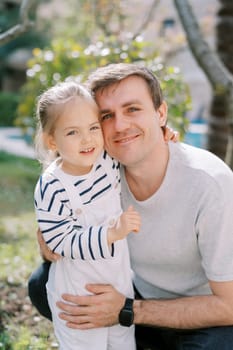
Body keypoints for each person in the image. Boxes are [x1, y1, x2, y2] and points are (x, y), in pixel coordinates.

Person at [29, 62, 233, 350]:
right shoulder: (104, 168)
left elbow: (230, 306)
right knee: (43, 282)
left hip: (204, 315)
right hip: (135, 293)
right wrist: (50, 240)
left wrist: (125, 310)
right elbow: (61, 198)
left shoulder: (211, 184)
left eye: (133, 109)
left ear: (160, 114)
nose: (120, 126)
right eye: (106, 116)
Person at [33, 80, 141, 350]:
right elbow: (59, 241)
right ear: (51, 141)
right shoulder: (53, 186)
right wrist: (110, 234)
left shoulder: (105, 160)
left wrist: (164, 133)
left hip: (118, 279)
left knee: (123, 343)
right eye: (72, 132)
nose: (87, 139)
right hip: (78, 292)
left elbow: (137, 147)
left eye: (93, 128)